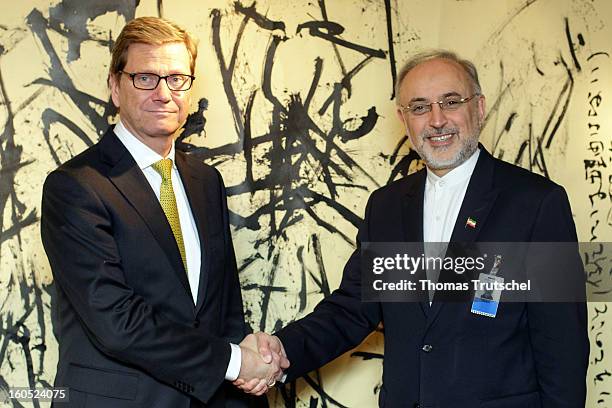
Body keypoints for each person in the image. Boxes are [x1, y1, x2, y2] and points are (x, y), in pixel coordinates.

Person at [234, 50, 589, 407]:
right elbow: (350, 311)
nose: (436, 120)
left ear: (479, 108)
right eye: (419, 107)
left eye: (451, 101)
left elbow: (562, 347)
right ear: (403, 119)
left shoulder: (536, 203)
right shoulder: (386, 207)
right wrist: (279, 350)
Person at [41, 16, 284, 408]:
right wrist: (236, 362)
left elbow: (224, 309)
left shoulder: (206, 181)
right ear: (115, 87)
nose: (163, 94)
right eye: (146, 78)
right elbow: (116, 321)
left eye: (176, 79)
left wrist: (249, 354)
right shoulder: (75, 186)